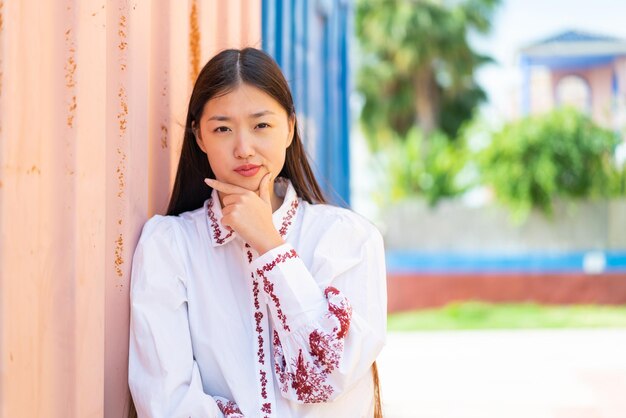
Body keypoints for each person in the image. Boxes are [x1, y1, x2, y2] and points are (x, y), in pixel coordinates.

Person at [128, 47, 387, 418]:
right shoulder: (169, 246)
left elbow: (331, 372)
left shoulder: (348, 240)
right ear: (200, 138)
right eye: (222, 128)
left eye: (261, 125)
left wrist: (270, 245)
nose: (244, 148)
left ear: (290, 128)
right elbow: (166, 401)